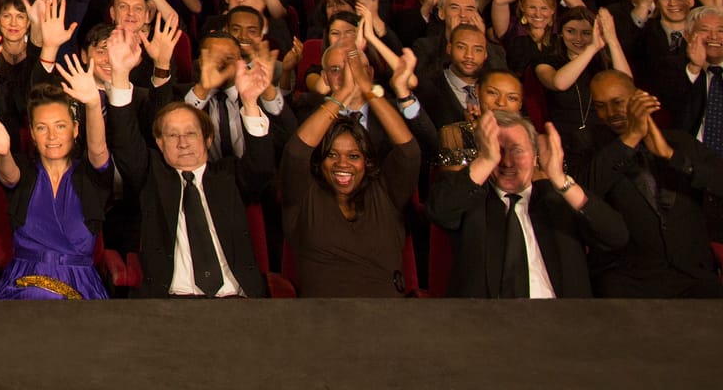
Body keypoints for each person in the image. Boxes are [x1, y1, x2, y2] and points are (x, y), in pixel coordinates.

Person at [105, 30, 277, 297]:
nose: (183, 142)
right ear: (159, 144)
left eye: (191, 133)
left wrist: (251, 103)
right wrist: (119, 74)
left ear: (208, 139)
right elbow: (125, 142)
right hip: (170, 305)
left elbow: (263, 165)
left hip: (237, 301)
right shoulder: (152, 175)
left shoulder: (229, 175)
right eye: (172, 135)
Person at [429, 109, 628, 297]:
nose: (507, 162)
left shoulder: (558, 198)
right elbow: (439, 211)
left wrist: (561, 181)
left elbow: (615, 236)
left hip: (562, 322)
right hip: (486, 324)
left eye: (517, 151)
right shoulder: (471, 199)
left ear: (535, 157)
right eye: (498, 151)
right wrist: (486, 161)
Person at [280, 45, 422, 296]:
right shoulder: (304, 196)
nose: (342, 164)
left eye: (353, 156)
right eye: (332, 155)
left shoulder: (385, 193)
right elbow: (296, 152)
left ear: (366, 162)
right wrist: (343, 93)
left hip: (387, 320)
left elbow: (409, 151)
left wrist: (367, 90)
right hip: (323, 322)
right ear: (320, 160)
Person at [0, 62, 113, 301]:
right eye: (42, 128)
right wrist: (3, 153)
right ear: (33, 135)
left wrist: (94, 104)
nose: (52, 136)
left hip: (80, 285)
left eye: (60, 126)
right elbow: (8, 175)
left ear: (76, 130)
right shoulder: (25, 172)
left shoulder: (89, 176)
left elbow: (98, 151)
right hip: (26, 280)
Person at [582, 70, 723, 297]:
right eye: (600, 106)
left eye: (618, 102)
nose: (610, 113)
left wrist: (671, 156)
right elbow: (587, 191)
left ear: (638, 98)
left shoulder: (680, 142)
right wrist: (631, 137)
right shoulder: (591, 148)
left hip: (693, 275)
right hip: (627, 278)